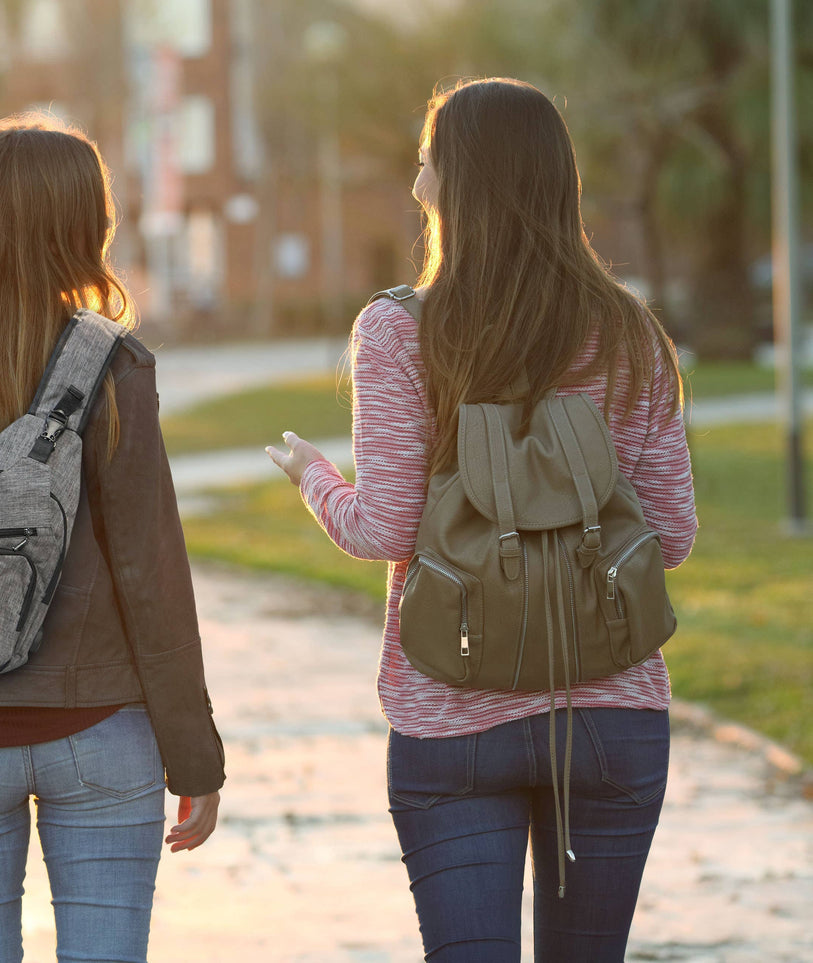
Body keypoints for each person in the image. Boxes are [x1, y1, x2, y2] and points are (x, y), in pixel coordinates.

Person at [267, 78, 697, 961]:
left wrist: (313, 477)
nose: (417, 189)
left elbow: (386, 530)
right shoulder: (629, 335)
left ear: (453, 187)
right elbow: (672, 536)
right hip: (608, 714)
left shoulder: (398, 331)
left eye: (426, 169)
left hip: (449, 714)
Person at [0, 115, 224, 963]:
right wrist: (192, 755)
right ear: (75, 229)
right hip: (97, 731)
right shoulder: (113, 369)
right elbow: (151, 576)